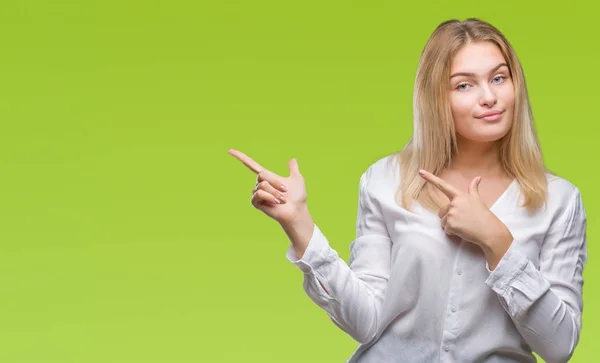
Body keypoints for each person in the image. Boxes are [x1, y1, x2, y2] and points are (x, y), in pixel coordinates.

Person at [228, 18, 587, 363]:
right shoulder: (385, 181)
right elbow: (365, 322)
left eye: (499, 78)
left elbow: (560, 347)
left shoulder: (559, 202)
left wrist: (498, 242)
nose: (489, 97)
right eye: (464, 85)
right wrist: (300, 226)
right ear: (436, 98)